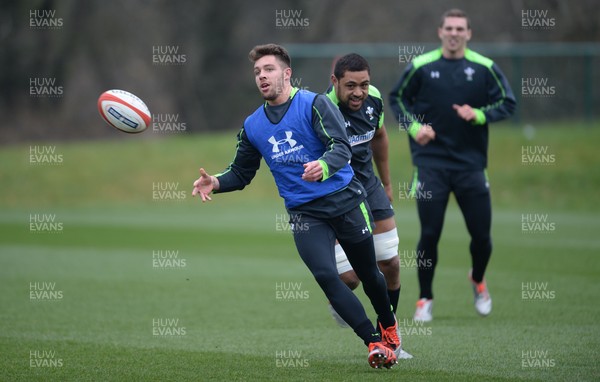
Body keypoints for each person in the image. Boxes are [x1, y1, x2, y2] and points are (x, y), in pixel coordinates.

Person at [192, 44, 400, 368]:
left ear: (287, 73)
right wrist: (216, 182)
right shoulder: (253, 125)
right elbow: (241, 172)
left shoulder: (314, 103)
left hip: (346, 201)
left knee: (370, 275)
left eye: (269, 69)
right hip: (306, 213)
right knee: (326, 276)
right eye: (257, 72)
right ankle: (374, 343)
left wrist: (323, 167)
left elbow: (340, 146)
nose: (262, 76)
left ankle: (388, 324)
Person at [389, 9, 516, 322]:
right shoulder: (420, 66)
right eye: (449, 28)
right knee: (430, 234)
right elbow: (396, 99)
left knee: (482, 238)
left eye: (460, 28)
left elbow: (508, 102)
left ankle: (478, 279)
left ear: (469, 33)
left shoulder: (484, 68)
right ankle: (425, 298)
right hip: (430, 164)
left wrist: (480, 114)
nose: (454, 33)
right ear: (440, 32)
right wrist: (415, 128)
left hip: (471, 165)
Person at [324, 53, 411, 359]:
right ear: (335, 83)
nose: (359, 92)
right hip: (336, 194)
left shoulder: (374, 100)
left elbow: (380, 137)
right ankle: (339, 299)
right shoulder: (320, 110)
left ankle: (390, 338)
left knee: (391, 263)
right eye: (351, 86)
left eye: (364, 84)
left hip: (369, 186)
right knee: (350, 278)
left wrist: (386, 183)